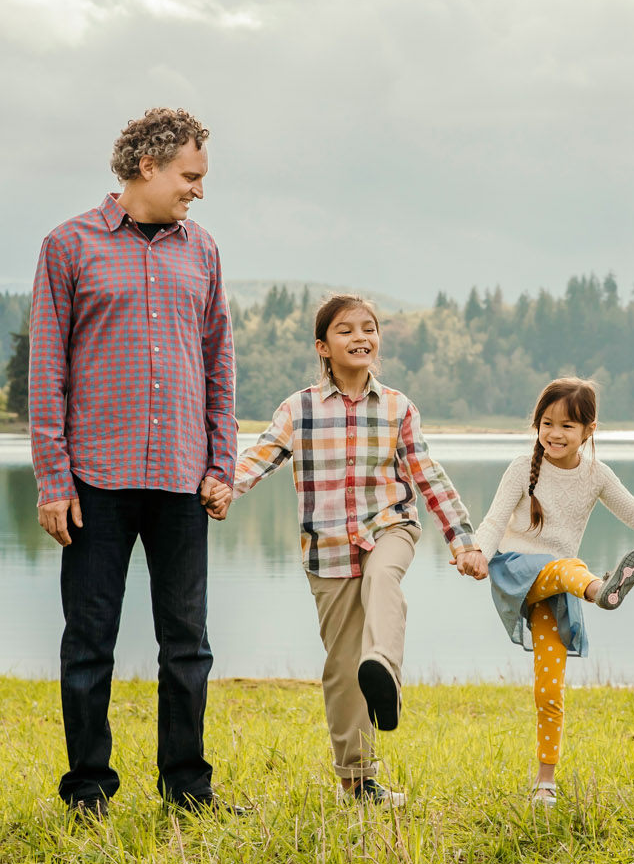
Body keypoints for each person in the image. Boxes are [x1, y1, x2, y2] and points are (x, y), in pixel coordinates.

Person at [29, 106, 240, 817]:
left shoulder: (202, 250)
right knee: (89, 643)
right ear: (146, 166)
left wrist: (221, 462)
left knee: (188, 645)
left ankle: (188, 789)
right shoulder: (67, 246)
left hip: (183, 479)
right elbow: (46, 372)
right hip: (96, 481)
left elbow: (219, 365)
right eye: (190, 175)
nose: (198, 191)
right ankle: (87, 790)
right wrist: (53, 479)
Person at [203, 293, 488, 807]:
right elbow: (260, 455)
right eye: (346, 330)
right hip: (327, 547)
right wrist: (226, 487)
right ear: (323, 346)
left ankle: (384, 668)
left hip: (390, 527)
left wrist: (462, 540)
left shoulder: (399, 407)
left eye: (369, 328)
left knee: (384, 581)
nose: (361, 337)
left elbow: (428, 475)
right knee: (340, 667)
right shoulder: (300, 408)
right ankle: (357, 782)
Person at [476, 377, 634, 809]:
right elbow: (494, 521)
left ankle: (545, 782)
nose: (555, 433)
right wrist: (476, 553)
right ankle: (600, 590)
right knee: (572, 568)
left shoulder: (596, 475)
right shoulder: (521, 468)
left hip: (559, 588)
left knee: (549, 690)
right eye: (547, 423)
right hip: (518, 573)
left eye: (567, 426)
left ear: (589, 430)